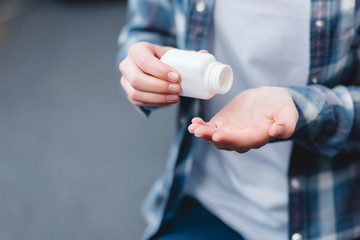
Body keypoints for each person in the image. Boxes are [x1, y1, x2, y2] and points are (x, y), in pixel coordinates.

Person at [117, 0, 360, 240]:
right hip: (210, 203)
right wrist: (144, 71)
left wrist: (303, 108)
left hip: (331, 218)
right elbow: (145, 31)